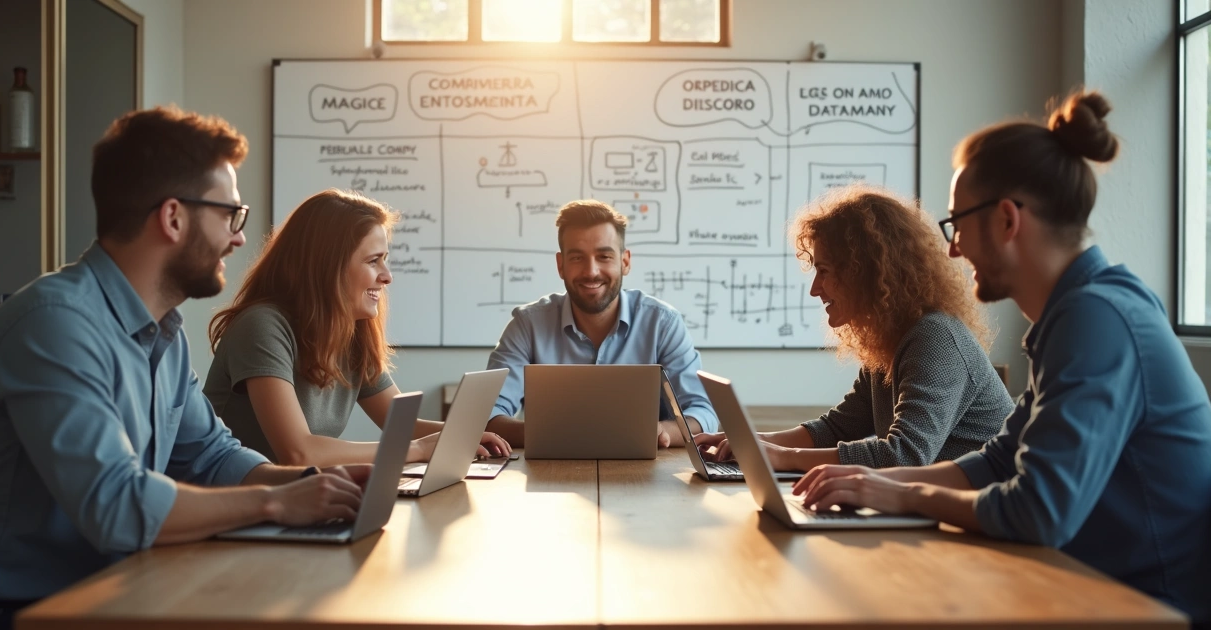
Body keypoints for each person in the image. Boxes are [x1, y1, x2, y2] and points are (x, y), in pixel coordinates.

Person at [794, 90, 1211, 630]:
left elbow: (1038, 512)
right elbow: (996, 463)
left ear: (1008, 220)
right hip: (1091, 586)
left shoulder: (1097, 319)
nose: (952, 250)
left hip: (1148, 610)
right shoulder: (1076, 314)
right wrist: (873, 479)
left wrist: (892, 489)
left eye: (958, 225)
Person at [0, 108, 372, 630]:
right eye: (230, 216)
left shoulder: (161, 331)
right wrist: (276, 500)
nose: (240, 238)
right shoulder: (55, 324)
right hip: (34, 613)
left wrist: (316, 483)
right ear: (173, 218)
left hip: (127, 588)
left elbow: (211, 455)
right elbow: (116, 505)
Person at [696, 187, 1014, 473]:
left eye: (824, 271)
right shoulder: (891, 339)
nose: (815, 289)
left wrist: (781, 456)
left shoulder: (935, 337)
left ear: (867, 273)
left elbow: (903, 455)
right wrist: (751, 441)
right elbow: (835, 428)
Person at [205, 189, 510, 467]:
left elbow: (402, 424)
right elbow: (299, 453)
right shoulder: (262, 326)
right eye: (374, 261)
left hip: (296, 500)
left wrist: (467, 434)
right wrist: (417, 449)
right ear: (327, 267)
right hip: (236, 508)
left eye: (385, 260)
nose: (387, 276)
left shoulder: (350, 333)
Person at [485, 199, 719, 448]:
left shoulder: (662, 323)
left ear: (625, 262)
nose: (591, 271)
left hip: (648, 475)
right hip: (550, 475)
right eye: (577, 258)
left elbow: (702, 414)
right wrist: (557, 435)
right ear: (560, 265)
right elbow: (486, 415)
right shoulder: (527, 325)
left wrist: (663, 431)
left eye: (604, 256)